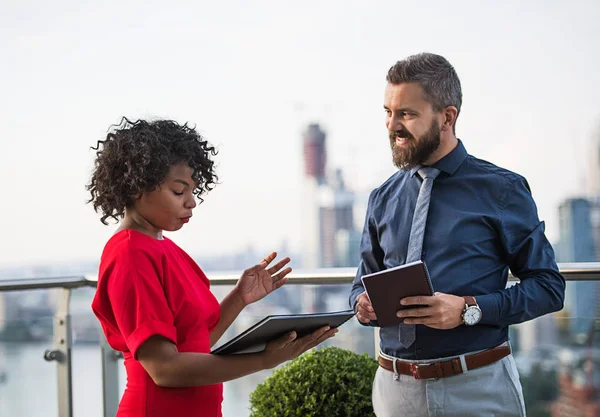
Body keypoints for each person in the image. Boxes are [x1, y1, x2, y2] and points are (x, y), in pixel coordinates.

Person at [349, 53, 565, 417]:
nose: (392, 125)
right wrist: (362, 304)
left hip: (478, 389)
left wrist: (469, 310)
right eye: (388, 111)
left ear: (447, 117)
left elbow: (549, 287)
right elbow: (360, 283)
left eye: (407, 114)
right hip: (393, 393)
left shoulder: (502, 189)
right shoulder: (381, 198)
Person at [87, 118, 338, 417]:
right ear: (138, 187)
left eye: (193, 190)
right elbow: (164, 369)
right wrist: (263, 360)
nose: (191, 202)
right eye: (179, 191)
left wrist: (239, 298)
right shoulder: (131, 254)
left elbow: (194, 345)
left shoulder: (166, 249)